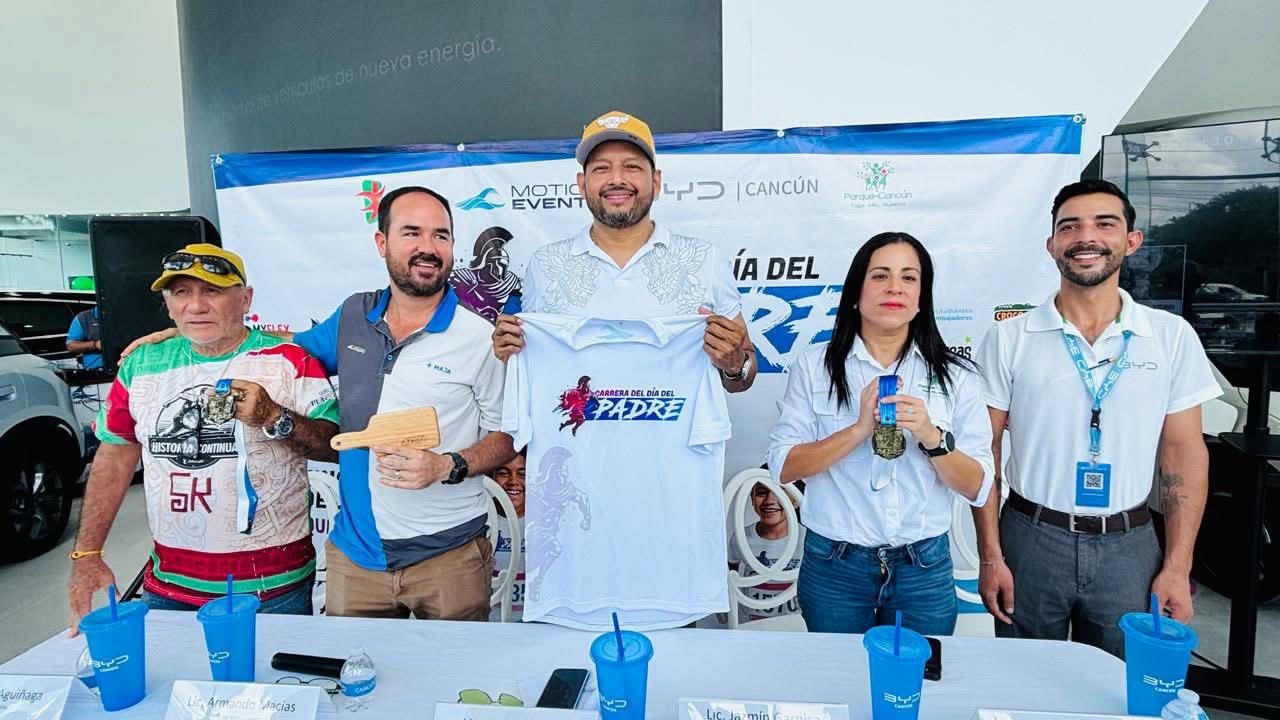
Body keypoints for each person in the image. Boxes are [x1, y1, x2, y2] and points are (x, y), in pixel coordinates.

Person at [121, 189, 515, 621]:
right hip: (355, 560)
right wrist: (195, 332)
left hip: (449, 556)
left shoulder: (480, 337)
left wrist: (446, 466)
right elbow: (285, 347)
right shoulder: (353, 315)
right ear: (382, 243)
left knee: (452, 665)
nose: (428, 247)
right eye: (411, 233)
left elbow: (508, 437)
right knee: (351, 665)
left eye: (441, 235)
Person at [973, 180, 1219, 657]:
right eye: (1070, 227)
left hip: (1130, 546)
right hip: (1030, 538)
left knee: (1117, 684)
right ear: (1051, 245)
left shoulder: (1170, 336)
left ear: (1132, 240)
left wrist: (1178, 565)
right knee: (1025, 679)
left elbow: (1183, 454)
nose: (1086, 238)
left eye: (1104, 224)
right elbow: (987, 450)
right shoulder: (1010, 338)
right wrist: (991, 556)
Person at [67, 244, 339, 632]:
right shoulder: (142, 363)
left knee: (270, 674)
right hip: (169, 584)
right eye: (181, 292)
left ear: (245, 299)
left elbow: (334, 445)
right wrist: (87, 554)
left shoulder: (290, 360)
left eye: (212, 290)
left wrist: (273, 417)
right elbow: (114, 457)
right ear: (168, 303)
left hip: (272, 587)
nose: (196, 306)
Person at [768, 232, 994, 635]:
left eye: (909, 277)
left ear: (921, 298)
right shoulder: (814, 366)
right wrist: (858, 430)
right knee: (837, 670)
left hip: (922, 569)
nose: (894, 287)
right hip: (835, 567)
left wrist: (932, 437)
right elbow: (784, 467)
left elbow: (977, 486)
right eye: (880, 276)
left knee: (918, 672)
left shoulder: (957, 376)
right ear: (856, 293)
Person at [491, 109, 756, 389]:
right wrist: (511, 354)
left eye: (632, 166)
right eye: (601, 168)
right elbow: (535, 365)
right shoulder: (545, 264)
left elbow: (743, 376)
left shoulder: (704, 259)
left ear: (656, 181)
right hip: (578, 418)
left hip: (678, 421)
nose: (617, 179)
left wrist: (735, 365)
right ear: (582, 184)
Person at [727, 481, 804, 623]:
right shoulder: (741, 537)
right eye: (762, 493)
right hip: (751, 626)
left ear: (795, 500)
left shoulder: (808, 539)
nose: (769, 500)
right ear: (752, 499)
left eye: (780, 492)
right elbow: (730, 574)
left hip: (797, 627)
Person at [489, 449, 526, 621]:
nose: (513, 481)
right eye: (503, 473)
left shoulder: (546, 523)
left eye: (523, 474)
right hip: (487, 621)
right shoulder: (480, 519)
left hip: (534, 624)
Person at [66, 305, 103, 369]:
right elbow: (71, 346)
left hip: (120, 366)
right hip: (94, 369)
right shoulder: (83, 317)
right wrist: (95, 344)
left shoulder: (120, 315)